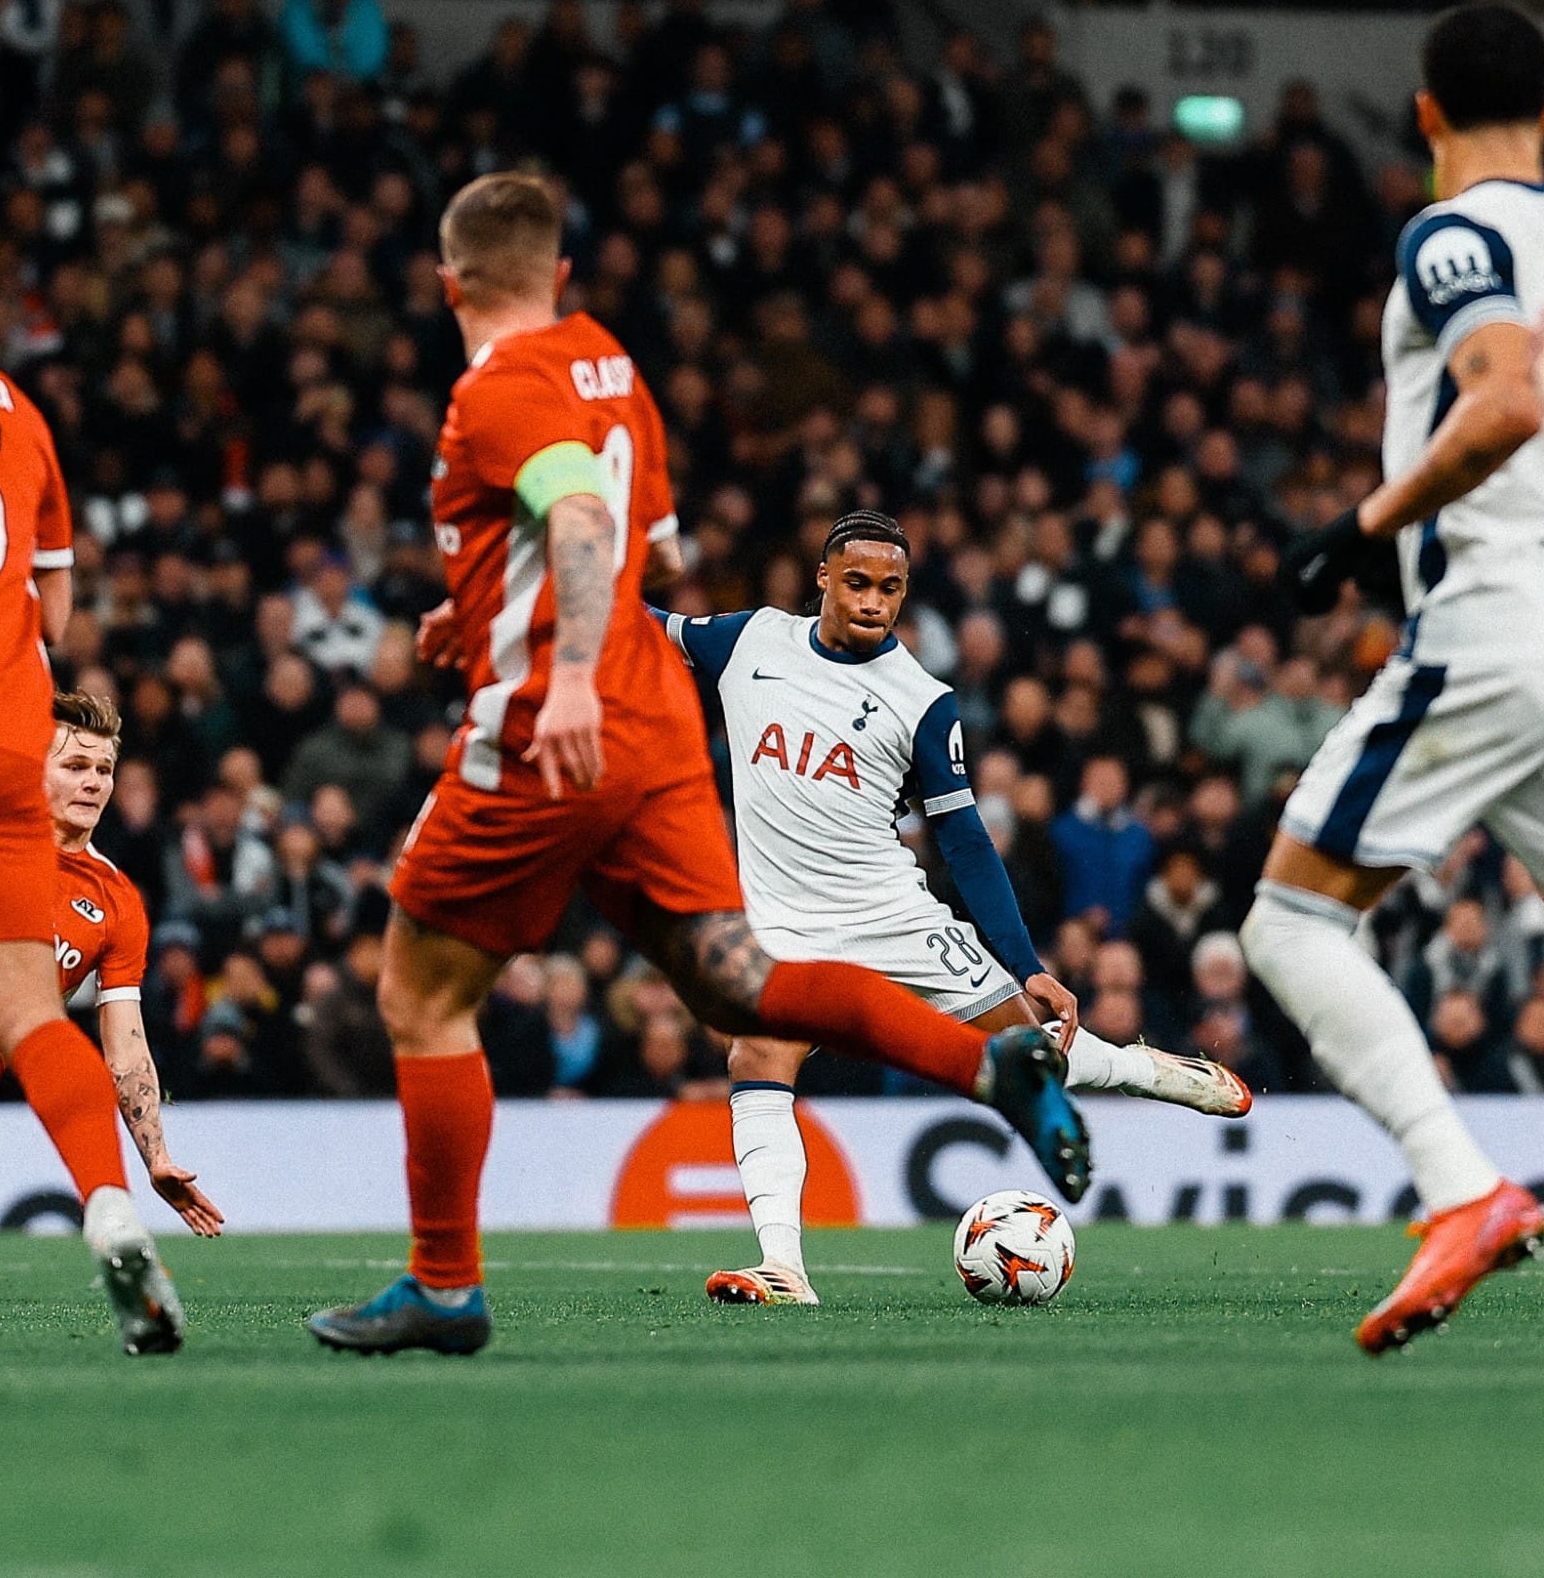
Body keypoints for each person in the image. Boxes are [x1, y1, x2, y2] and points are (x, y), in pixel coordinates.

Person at [306, 174, 1088, 1358]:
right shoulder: (612, 369)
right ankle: (987, 1062)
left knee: (420, 994)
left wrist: (556, 668)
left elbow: (576, 520)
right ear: (563, 278)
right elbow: (654, 549)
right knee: (737, 983)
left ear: (444, 282)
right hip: (657, 726)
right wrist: (478, 610)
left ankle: (445, 1286)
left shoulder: (497, 388)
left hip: (549, 723)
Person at [653, 511, 1250, 1306]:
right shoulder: (748, 641)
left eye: (890, 588)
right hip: (787, 929)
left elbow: (964, 842)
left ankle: (1150, 1070)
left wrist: (1027, 965)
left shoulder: (921, 700)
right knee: (757, 1058)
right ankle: (783, 1269)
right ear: (823, 578)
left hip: (893, 918)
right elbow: (643, 632)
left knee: (1028, 1057)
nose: (872, 601)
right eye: (857, 583)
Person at [1245, 2, 1544, 1354]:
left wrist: (1358, 526)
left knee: (1285, 924)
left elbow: (1500, 401)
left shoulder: (1452, 234)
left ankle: (1460, 1190)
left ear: (1425, 111)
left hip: (1492, 619)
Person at [0, 362, 185, 1353]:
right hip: (8, 731)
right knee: (30, 1010)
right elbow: (57, 618)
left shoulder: (117, 895)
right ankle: (106, 1206)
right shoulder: (19, 412)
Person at [0, 692, 224, 1234]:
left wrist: (156, 1158)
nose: (94, 782)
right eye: (75, 766)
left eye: (104, 769)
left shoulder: (116, 901)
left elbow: (126, 1048)